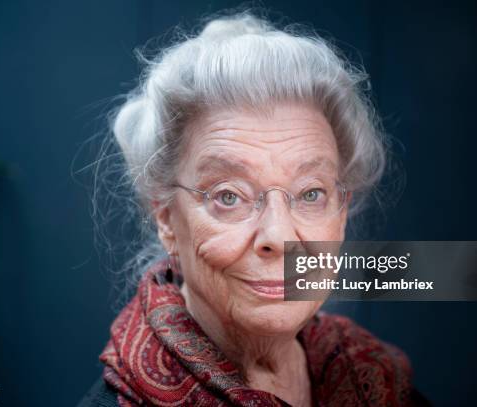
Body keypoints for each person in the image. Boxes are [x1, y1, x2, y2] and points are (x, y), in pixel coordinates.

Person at [78, 11, 428, 407]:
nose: (278, 239)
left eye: (311, 194)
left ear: (342, 213)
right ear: (167, 220)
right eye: (229, 196)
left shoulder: (374, 374)